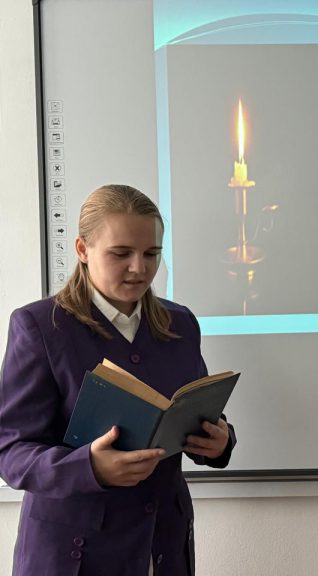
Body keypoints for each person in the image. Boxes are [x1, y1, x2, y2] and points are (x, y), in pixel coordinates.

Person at [0, 184, 236, 575]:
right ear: (82, 249)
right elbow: (11, 452)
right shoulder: (39, 327)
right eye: (121, 253)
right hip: (74, 555)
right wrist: (88, 466)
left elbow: (193, 412)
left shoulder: (181, 324)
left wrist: (220, 441)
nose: (139, 268)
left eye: (151, 254)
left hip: (163, 547)